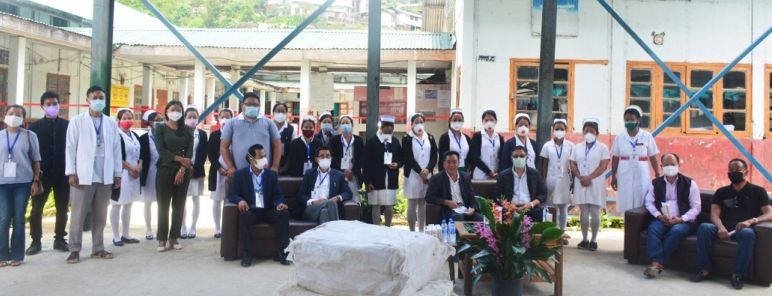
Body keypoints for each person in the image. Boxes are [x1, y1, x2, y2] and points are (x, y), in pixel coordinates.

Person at [692, 159, 772, 289]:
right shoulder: (721, 192)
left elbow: (770, 214)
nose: (733, 173)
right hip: (723, 227)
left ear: (746, 171)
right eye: (731, 170)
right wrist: (720, 227)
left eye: (737, 170)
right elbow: (714, 214)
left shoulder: (758, 191)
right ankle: (705, 269)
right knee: (704, 227)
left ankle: (737, 274)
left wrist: (751, 221)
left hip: (743, 229)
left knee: (748, 234)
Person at [64, 85, 122, 264]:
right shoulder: (77, 121)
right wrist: (71, 172)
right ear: (87, 100)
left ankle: (98, 248)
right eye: (95, 97)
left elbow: (116, 149)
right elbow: (70, 147)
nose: (98, 101)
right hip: (83, 175)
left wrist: (117, 173)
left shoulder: (111, 122)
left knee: (100, 215)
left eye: (101, 98)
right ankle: (74, 249)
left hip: (104, 175)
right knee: (78, 215)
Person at [229, 144, 290, 267]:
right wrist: (240, 200)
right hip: (251, 210)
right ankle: (247, 255)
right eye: (261, 157)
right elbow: (233, 194)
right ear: (251, 159)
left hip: (267, 210)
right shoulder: (240, 175)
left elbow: (278, 194)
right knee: (244, 216)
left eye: (265, 156)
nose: (264, 159)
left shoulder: (271, 175)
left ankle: (281, 252)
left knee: (284, 214)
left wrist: (280, 203)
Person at [643, 153, 701, 279]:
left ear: (679, 165)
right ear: (661, 166)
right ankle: (657, 263)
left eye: (673, 164)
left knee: (676, 231)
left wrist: (681, 219)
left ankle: (657, 263)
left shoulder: (690, 184)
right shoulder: (655, 183)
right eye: (666, 164)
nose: (669, 167)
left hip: (683, 221)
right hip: (662, 219)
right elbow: (648, 202)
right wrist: (658, 216)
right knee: (653, 229)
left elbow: (696, 207)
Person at [27, 91, 69, 255]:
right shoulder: (34, 128)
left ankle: (59, 239)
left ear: (60, 105)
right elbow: (30, 153)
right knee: (36, 210)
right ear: (42, 106)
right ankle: (36, 241)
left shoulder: (67, 125)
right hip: (42, 175)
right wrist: (34, 176)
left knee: (62, 208)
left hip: (62, 173)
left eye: (55, 103)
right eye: (48, 104)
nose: (52, 107)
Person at [0, 105, 41, 267]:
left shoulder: (30, 136)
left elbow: (36, 160)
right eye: (11, 114)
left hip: (23, 183)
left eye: (18, 115)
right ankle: (2, 254)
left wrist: (36, 180)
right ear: (4, 116)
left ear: (23, 119)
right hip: (2, 183)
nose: (14, 117)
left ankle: (17, 254)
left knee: (19, 219)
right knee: (3, 219)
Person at [154, 100, 194, 252]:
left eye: (179, 110)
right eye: (173, 109)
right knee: (163, 205)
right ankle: (162, 238)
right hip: (165, 169)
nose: (176, 112)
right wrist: (180, 159)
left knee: (179, 204)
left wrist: (182, 169)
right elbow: (161, 150)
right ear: (166, 111)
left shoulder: (187, 130)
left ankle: (174, 237)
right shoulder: (160, 128)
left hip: (183, 171)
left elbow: (189, 153)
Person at [569, 118, 610, 252]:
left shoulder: (602, 147)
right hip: (581, 182)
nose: (589, 133)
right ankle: (585, 239)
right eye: (586, 131)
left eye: (592, 131)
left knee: (595, 211)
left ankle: (593, 240)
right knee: (584, 212)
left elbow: (604, 165)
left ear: (597, 133)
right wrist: (580, 176)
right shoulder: (577, 147)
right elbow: (572, 163)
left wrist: (590, 177)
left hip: (595, 182)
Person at [611, 105, 660, 216]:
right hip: (624, 172)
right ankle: (627, 228)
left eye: (632, 119)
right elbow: (615, 157)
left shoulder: (647, 136)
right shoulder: (620, 137)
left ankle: (639, 228)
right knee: (625, 200)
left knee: (641, 198)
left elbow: (652, 156)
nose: (629, 122)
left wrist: (657, 173)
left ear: (638, 120)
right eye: (626, 120)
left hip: (641, 172)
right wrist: (613, 176)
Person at [221, 92, 281, 175]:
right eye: (249, 104)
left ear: (259, 107)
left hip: (264, 173)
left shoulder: (269, 123)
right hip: (239, 173)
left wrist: (275, 166)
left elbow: (277, 145)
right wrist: (230, 167)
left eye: (255, 105)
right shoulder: (231, 124)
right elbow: (224, 146)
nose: (252, 107)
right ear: (242, 105)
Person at [110, 109, 142, 247]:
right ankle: (116, 236)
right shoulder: (115, 135)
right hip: (121, 173)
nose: (128, 120)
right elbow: (116, 156)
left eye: (130, 117)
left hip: (135, 174)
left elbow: (141, 154)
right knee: (117, 204)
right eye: (125, 118)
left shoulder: (134, 135)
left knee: (129, 204)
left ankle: (126, 234)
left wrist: (139, 167)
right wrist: (130, 168)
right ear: (118, 120)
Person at [401, 113, 438, 232]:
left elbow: (434, 156)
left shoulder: (430, 138)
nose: (419, 124)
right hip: (412, 175)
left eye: (421, 122)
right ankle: (412, 230)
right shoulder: (407, 138)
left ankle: (421, 230)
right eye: (416, 122)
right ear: (411, 124)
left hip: (427, 174)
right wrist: (419, 171)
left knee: (423, 203)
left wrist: (428, 169)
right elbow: (408, 157)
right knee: (412, 203)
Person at [296, 146, 352, 224]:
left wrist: (337, 198)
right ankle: (337, 230)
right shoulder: (309, 174)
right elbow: (301, 195)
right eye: (322, 156)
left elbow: (348, 193)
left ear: (331, 158)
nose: (325, 158)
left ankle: (325, 236)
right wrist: (313, 202)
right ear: (316, 159)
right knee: (330, 203)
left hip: (328, 208)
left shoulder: (338, 175)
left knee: (324, 212)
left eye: (328, 156)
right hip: (311, 208)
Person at [364, 115, 402, 226]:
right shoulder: (372, 142)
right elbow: (366, 163)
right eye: (387, 126)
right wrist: (368, 181)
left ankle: (388, 227)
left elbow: (401, 159)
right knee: (376, 204)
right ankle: (376, 229)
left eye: (391, 127)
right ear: (381, 127)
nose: (389, 129)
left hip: (390, 178)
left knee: (389, 205)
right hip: (375, 179)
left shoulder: (395, 141)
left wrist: (397, 164)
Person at [494, 146, 548, 222]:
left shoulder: (535, 174)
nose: (519, 158)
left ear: (527, 157)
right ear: (511, 158)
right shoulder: (503, 175)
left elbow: (543, 194)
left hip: (530, 208)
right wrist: (508, 205)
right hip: (510, 210)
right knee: (502, 214)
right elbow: (497, 196)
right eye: (515, 156)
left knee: (538, 213)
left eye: (522, 156)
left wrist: (531, 204)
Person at [539, 119, 574, 235]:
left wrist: (573, 181)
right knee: (550, 206)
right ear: (553, 130)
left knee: (563, 207)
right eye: (557, 129)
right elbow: (543, 165)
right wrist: (543, 181)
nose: (559, 131)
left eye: (562, 129)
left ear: (566, 130)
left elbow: (573, 164)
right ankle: (550, 232)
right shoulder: (547, 146)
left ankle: (561, 232)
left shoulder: (571, 146)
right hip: (551, 179)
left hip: (565, 179)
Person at [425, 151, 482, 222]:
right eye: (448, 162)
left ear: (459, 163)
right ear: (444, 164)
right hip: (449, 211)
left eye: (454, 162)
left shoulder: (465, 177)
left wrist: (473, 208)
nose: (451, 165)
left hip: (465, 209)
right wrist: (447, 202)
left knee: (481, 218)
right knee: (459, 217)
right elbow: (428, 197)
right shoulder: (436, 178)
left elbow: (471, 196)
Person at [181, 106, 208, 239]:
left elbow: (203, 153)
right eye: (189, 117)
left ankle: (193, 227)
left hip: (197, 172)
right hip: (181, 170)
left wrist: (194, 167)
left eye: (194, 117)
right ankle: (182, 226)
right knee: (181, 200)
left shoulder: (202, 134)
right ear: (184, 118)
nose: (192, 120)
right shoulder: (179, 132)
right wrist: (186, 166)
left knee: (195, 198)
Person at [207, 108, 234, 238]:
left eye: (228, 116)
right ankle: (217, 228)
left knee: (229, 201)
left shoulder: (236, 135)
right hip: (218, 172)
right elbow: (211, 154)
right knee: (217, 200)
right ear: (218, 119)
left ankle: (227, 227)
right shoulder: (214, 135)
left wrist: (231, 169)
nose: (224, 119)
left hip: (232, 172)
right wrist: (219, 168)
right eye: (222, 116)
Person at [139, 110, 164, 240]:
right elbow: (142, 156)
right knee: (147, 202)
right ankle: (148, 229)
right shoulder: (143, 138)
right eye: (157, 120)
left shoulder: (166, 135)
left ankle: (162, 228)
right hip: (149, 172)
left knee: (163, 202)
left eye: (161, 119)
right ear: (150, 122)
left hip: (164, 171)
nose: (160, 122)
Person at [330, 115, 364, 201]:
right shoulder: (334, 140)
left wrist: (352, 171)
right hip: (339, 175)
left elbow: (361, 158)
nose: (345, 125)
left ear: (352, 125)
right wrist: (342, 172)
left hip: (354, 175)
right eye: (343, 123)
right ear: (340, 126)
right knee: (340, 199)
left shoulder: (359, 140)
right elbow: (332, 158)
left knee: (355, 200)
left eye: (347, 123)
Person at [470, 109, 504, 180]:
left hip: (496, 173)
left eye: (491, 120)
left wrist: (498, 171)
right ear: (482, 121)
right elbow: (474, 156)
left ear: (496, 121)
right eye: (486, 120)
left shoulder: (499, 137)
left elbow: (502, 156)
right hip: (480, 173)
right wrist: (488, 171)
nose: (489, 122)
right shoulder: (477, 136)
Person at [272, 103, 296, 171]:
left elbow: (294, 150)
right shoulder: (269, 128)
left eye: (283, 111)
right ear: (273, 113)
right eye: (278, 111)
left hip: (286, 166)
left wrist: (286, 167)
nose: (280, 113)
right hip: (270, 166)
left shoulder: (291, 129)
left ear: (286, 113)